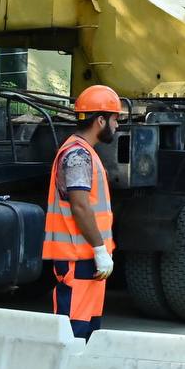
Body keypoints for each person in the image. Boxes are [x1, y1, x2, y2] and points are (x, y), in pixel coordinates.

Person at [43, 85, 120, 340]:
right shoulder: (78, 154)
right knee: (73, 330)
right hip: (79, 257)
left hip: (84, 258)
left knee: (85, 329)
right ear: (100, 120)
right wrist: (99, 250)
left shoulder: (82, 152)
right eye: (114, 119)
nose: (117, 125)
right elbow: (80, 205)